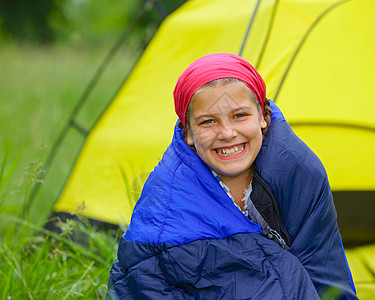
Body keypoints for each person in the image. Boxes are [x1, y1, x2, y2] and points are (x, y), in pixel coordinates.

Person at [107, 53, 357, 299]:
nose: (227, 133)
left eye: (240, 115)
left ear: (263, 117)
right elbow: (147, 279)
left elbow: (324, 271)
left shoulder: (298, 172)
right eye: (207, 122)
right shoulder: (166, 198)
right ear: (188, 134)